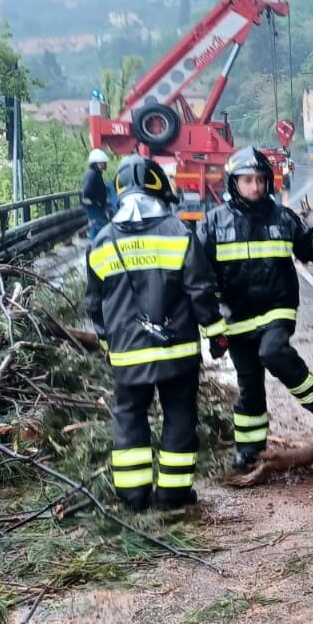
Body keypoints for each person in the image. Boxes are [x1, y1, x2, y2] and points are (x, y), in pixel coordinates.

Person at [85, 154, 228, 512]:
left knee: (129, 416)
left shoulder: (102, 241)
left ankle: (133, 497)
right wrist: (216, 333)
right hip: (176, 351)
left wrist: (106, 340)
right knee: (179, 415)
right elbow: (201, 291)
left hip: (127, 354)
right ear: (160, 190)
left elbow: (94, 303)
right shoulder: (179, 233)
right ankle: (173, 495)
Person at [196, 146, 313, 470]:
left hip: (277, 307)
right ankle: (250, 449)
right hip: (236, 317)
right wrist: (212, 324)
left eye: (260, 179)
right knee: (249, 386)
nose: (255, 186)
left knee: (273, 352)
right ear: (234, 183)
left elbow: (307, 250)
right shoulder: (213, 224)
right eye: (248, 180)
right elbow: (200, 277)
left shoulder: (282, 217)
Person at [81, 148, 111, 239]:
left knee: (99, 227)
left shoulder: (96, 173)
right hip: (94, 207)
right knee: (97, 227)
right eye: (102, 162)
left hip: (97, 206)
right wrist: (95, 201)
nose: (104, 164)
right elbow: (87, 191)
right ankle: (94, 248)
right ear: (96, 163)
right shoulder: (92, 174)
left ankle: (96, 247)